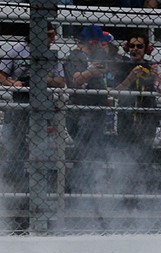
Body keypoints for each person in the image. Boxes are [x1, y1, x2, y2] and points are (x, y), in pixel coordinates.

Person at [0, 21, 65, 190]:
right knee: (16, 145)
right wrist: (14, 83)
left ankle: (43, 187)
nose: (52, 38)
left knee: (44, 146)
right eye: (48, 34)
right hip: (20, 102)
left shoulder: (52, 55)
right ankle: (16, 185)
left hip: (44, 104)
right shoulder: (17, 50)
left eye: (53, 34)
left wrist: (40, 78)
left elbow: (61, 82)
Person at [112, 33, 161, 192]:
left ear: (146, 49)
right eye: (132, 46)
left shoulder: (152, 66)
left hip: (147, 118)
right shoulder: (121, 66)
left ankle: (144, 190)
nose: (135, 49)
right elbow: (115, 92)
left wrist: (156, 77)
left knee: (145, 157)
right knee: (126, 157)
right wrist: (130, 77)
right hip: (126, 119)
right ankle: (126, 190)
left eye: (139, 46)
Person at [64, 24, 111, 192]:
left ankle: (90, 189)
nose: (100, 45)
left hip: (94, 112)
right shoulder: (76, 56)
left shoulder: (92, 56)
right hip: (82, 113)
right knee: (84, 154)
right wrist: (92, 71)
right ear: (91, 41)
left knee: (92, 154)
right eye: (98, 42)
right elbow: (76, 80)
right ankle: (80, 190)